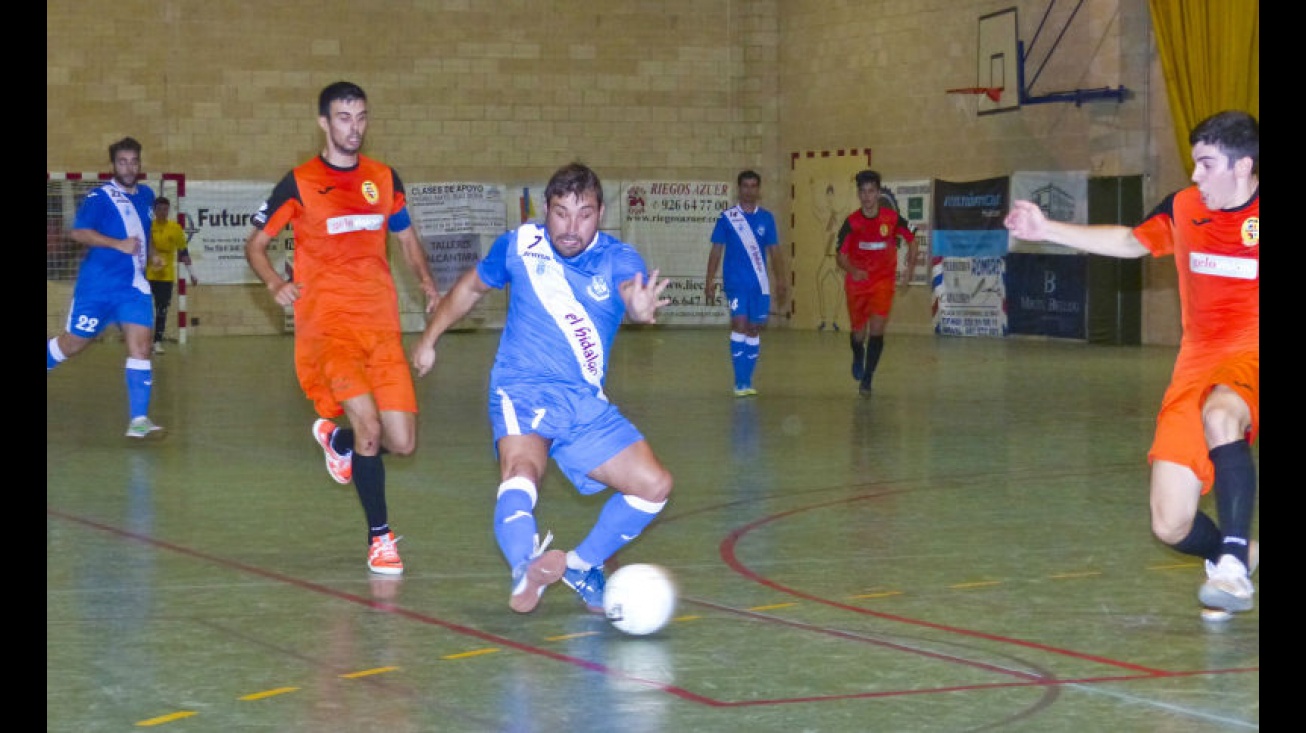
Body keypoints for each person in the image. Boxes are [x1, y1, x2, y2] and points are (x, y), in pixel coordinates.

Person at [1003, 110, 1259, 615]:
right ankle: (1241, 554)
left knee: (1222, 416)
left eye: (1207, 165)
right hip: (1196, 363)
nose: (1195, 176)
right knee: (1170, 523)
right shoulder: (1186, 208)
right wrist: (1045, 227)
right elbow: (1127, 241)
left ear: (1244, 166)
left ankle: (1231, 566)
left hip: (1252, 352)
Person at [412, 162, 673, 615]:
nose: (571, 228)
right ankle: (523, 567)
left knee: (654, 486)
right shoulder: (519, 247)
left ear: (601, 213)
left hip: (583, 403)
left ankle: (581, 565)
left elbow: (631, 291)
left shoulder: (616, 258)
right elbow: (472, 288)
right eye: (561, 213)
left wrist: (638, 304)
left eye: (585, 214)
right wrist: (430, 339)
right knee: (521, 473)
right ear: (544, 210)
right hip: (522, 387)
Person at [244, 81, 440, 576]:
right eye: (344, 117)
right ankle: (380, 539)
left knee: (402, 441)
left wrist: (429, 288)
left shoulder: (383, 178)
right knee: (370, 428)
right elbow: (255, 245)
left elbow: (408, 239)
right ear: (324, 123)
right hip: (329, 330)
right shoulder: (300, 182)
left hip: (381, 328)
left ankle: (338, 443)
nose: (354, 127)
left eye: (361, 116)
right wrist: (273, 284)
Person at [47, 136, 165, 439]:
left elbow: (145, 230)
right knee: (72, 344)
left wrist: (151, 253)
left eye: (133, 161)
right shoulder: (100, 197)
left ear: (140, 163)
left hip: (134, 287)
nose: (128, 167)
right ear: (113, 164)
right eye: (122, 161)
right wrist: (118, 244)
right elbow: (78, 233)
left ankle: (138, 420)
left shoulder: (147, 194)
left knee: (141, 347)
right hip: (97, 287)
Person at [704, 170, 790, 397]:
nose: (749, 190)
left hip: (759, 285)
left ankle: (748, 380)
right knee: (739, 324)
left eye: (754, 186)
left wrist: (781, 280)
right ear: (739, 189)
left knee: (753, 329)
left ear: (758, 190)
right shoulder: (727, 218)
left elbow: (775, 251)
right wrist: (710, 280)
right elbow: (716, 250)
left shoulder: (767, 219)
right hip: (735, 283)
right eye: (745, 186)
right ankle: (739, 381)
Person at [835, 169, 918, 397]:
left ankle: (868, 378)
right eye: (862, 192)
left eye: (871, 191)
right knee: (858, 334)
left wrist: (909, 269)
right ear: (858, 194)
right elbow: (839, 257)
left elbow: (913, 240)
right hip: (857, 284)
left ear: (878, 193)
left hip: (882, 282)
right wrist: (853, 270)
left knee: (877, 330)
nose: (867, 197)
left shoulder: (891, 219)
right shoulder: (851, 223)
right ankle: (857, 353)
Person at [146, 196, 198, 354]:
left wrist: (192, 274)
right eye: (159, 209)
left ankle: (157, 342)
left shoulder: (175, 228)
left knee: (162, 310)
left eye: (165, 209)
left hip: (165, 276)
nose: (163, 212)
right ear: (154, 211)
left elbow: (184, 252)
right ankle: (143, 340)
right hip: (147, 275)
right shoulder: (148, 226)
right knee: (144, 310)